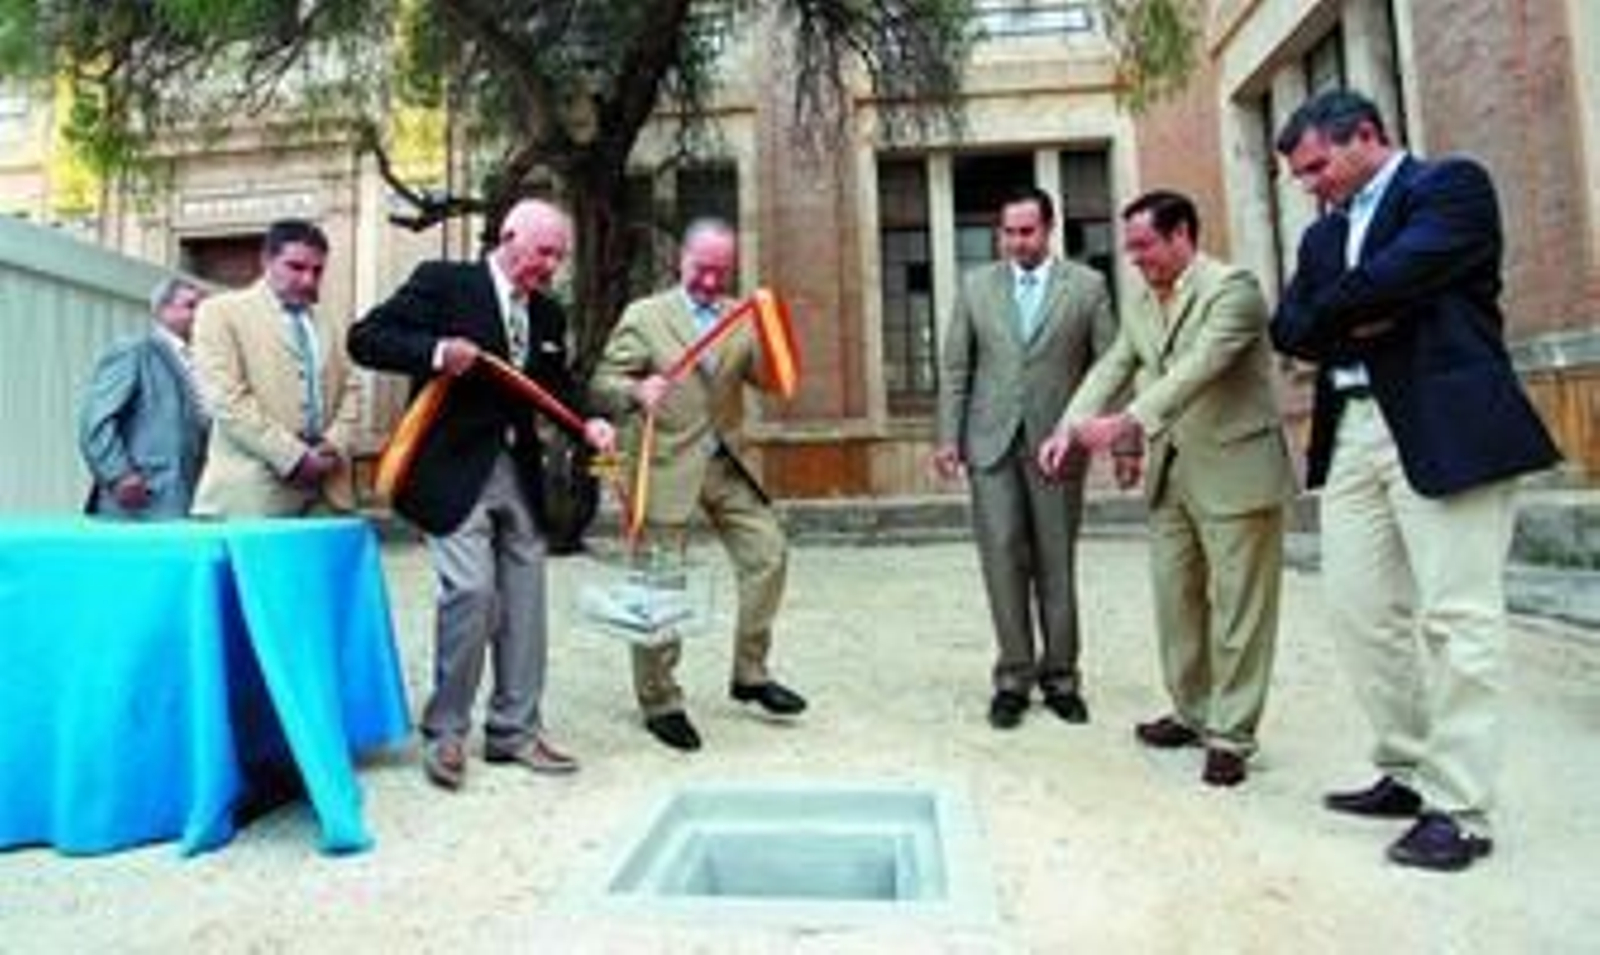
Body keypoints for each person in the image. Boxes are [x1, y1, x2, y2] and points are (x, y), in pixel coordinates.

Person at [1271, 89, 1560, 871]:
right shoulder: (1323, 235)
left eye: (1318, 165)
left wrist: (1358, 309)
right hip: (1352, 431)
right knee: (1359, 611)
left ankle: (1460, 808)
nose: (1310, 185)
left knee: (1458, 617)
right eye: (1300, 175)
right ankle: (1404, 768)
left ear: (1366, 135)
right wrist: (1364, 313)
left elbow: (1406, 270)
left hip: (1442, 423)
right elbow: (1287, 326)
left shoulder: (1450, 186)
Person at [348, 199, 614, 790]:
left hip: (520, 474)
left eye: (558, 258)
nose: (550, 267)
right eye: (544, 253)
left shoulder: (547, 314)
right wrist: (438, 352)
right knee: (471, 591)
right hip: (450, 472)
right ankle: (445, 732)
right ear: (509, 237)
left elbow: (556, 387)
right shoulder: (444, 283)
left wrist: (586, 423)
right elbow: (366, 339)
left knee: (525, 601)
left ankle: (515, 731)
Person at [1037, 190, 1296, 786]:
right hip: (1172, 474)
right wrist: (1069, 428)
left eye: (1145, 245)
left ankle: (1231, 734)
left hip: (1236, 473)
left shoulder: (1234, 290)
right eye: (1129, 248)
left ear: (1183, 235)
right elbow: (1112, 366)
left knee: (1239, 610)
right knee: (1175, 602)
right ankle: (1191, 710)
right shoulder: (1140, 302)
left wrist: (1126, 424)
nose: (1136, 259)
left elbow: (1196, 371)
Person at [589, 218, 806, 752]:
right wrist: (636, 390)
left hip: (723, 462)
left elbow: (773, 381)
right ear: (681, 260)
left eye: (721, 271)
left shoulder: (740, 317)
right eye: (702, 269)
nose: (711, 281)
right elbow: (600, 384)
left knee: (768, 552)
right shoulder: (645, 316)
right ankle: (660, 700)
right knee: (660, 584)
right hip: (661, 464)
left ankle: (750, 674)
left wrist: (777, 335)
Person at [933, 184, 1115, 730]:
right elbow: (956, 368)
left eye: (1027, 231)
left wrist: (1119, 439)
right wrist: (948, 437)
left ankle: (1061, 677)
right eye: (1008, 232)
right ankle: (1013, 677)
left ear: (1049, 228)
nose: (1016, 242)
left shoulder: (1087, 287)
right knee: (1002, 562)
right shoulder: (975, 286)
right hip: (989, 444)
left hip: (1058, 446)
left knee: (1056, 562)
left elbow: (1112, 366)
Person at [189, 219, 360, 517]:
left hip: (328, 492)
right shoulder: (220, 312)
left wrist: (333, 445)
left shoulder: (330, 320)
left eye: (317, 271)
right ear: (267, 260)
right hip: (252, 494)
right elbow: (226, 400)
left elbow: (352, 389)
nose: (308, 280)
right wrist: (293, 458)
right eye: (296, 267)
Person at [78, 277, 209, 519]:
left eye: (205, 308)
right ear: (162, 310)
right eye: (191, 306)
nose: (201, 314)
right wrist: (118, 475)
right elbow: (96, 420)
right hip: (141, 501)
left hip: (185, 501)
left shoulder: (200, 361)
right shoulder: (136, 350)